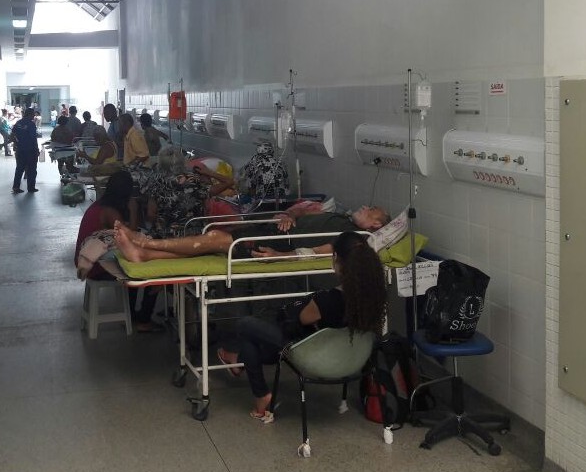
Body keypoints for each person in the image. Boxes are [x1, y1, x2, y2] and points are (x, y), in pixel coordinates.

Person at [216, 232, 387, 418]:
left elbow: (302, 319)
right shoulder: (375, 297)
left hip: (313, 356)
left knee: (246, 325)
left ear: (336, 258)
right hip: (351, 360)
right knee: (253, 344)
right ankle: (256, 391)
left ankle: (251, 379)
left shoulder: (327, 300)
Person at [112, 204, 389, 262]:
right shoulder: (339, 215)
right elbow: (300, 210)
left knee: (215, 239)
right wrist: (289, 215)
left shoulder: (355, 238)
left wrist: (280, 256)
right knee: (213, 243)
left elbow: (319, 252)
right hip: (274, 230)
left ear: (375, 226)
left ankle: (147, 242)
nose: (365, 207)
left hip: (276, 245)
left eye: (371, 210)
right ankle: (144, 254)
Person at [74, 171, 162, 333]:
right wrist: (133, 209)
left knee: (132, 263)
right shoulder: (109, 211)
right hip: (97, 267)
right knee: (150, 271)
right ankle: (144, 319)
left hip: (87, 261)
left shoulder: (100, 205)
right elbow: (130, 236)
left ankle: (131, 314)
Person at [11, 107, 41, 194]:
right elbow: (33, 138)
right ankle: (31, 187)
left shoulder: (18, 123)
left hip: (20, 149)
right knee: (31, 169)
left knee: (19, 168)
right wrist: (36, 149)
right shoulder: (31, 124)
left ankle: (16, 187)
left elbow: (12, 135)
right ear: (30, 114)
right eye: (33, 114)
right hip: (30, 150)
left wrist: (16, 144)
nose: (34, 116)